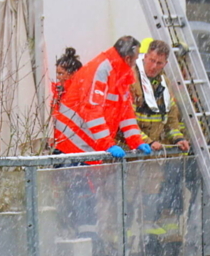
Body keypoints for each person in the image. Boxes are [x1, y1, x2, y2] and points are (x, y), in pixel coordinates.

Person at [52, 36, 152, 243]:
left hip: (87, 146)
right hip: (73, 145)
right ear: (128, 58)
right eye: (135, 58)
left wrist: (136, 140)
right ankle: (87, 246)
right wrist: (108, 144)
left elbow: (125, 112)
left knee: (87, 202)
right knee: (82, 201)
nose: (136, 63)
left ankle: (90, 245)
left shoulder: (119, 73)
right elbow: (92, 110)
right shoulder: (102, 69)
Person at [126, 38, 190, 256]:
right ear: (145, 56)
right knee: (124, 206)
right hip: (130, 154)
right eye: (151, 60)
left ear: (165, 64)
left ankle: (150, 253)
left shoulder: (165, 84)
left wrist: (178, 138)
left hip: (153, 157)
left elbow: (171, 119)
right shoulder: (131, 80)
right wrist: (146, 141)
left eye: (159, 63)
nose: (153, 66)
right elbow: (126, 119)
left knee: (151, 206)